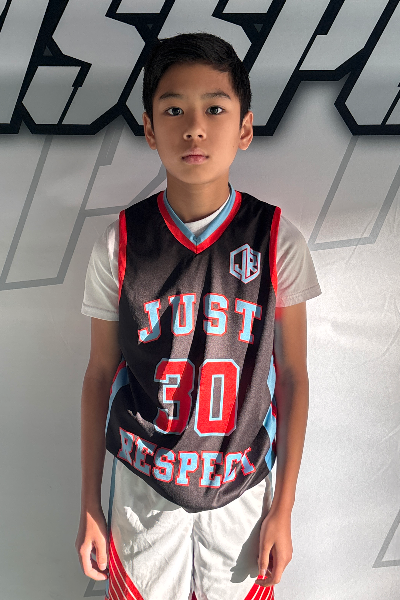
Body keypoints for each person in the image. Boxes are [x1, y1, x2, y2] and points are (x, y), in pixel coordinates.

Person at [75, 32, 321, 600]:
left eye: (214, 109)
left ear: (245, 128)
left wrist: (284, 509)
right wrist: (89, 504)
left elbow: (293, 376)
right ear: (148, 128)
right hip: (143, 494)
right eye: (174, 110)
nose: (194, 128)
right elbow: (98, 375)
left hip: (241, 496)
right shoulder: (120, 243)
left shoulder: (277, 239)